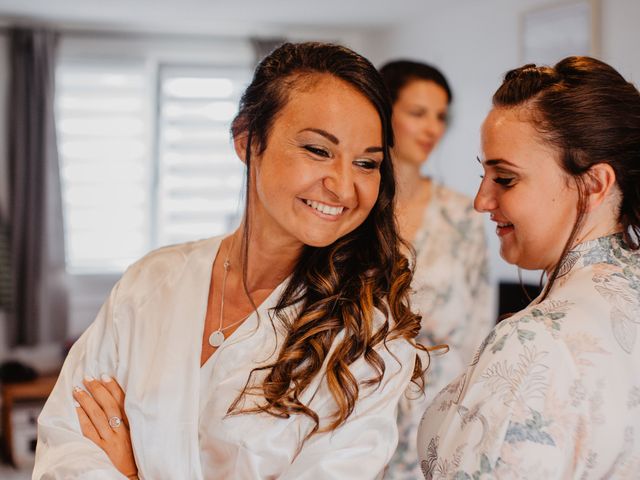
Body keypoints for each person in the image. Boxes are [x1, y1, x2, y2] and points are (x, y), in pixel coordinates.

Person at [33, 42, 426, 479]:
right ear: (247, 140)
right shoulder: (151, 282)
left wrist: (131, 474)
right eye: (318, 150)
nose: (343, 186)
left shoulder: (369, 342)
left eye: (366, 163)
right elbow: (67, 441)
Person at [417, 56, 640, 478]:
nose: (481, 201)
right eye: (483, 175)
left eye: (505, 179)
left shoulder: (533, 344)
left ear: (594, 185)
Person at [378, 60, 493, 478]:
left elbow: (479, 325)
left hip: (436, 408)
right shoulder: (353, 210)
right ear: (384, 111)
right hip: (358, 401)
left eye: (441, 117)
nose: (432, 129)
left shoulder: (463, 214)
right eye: (417, 113)